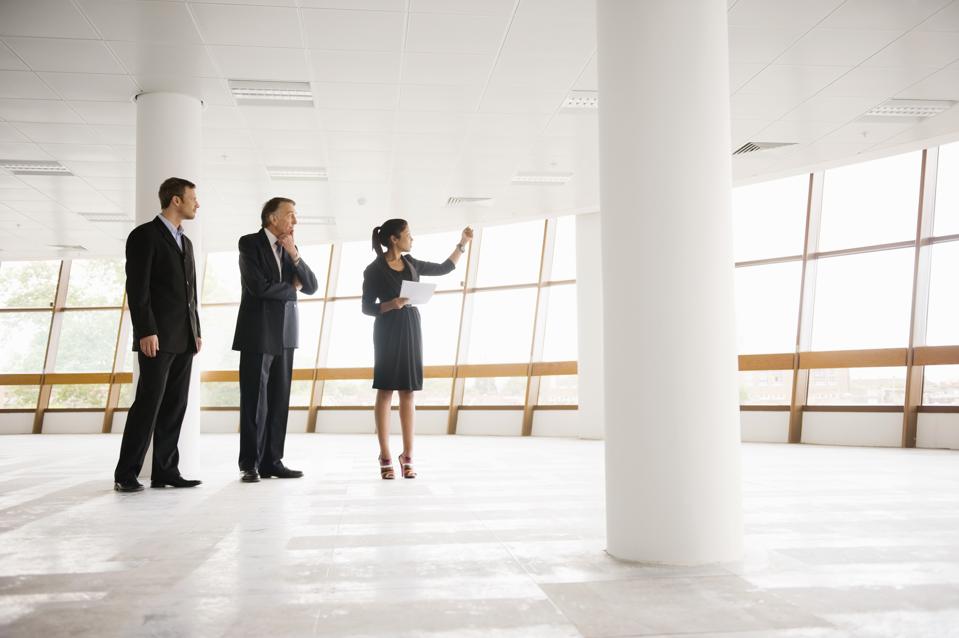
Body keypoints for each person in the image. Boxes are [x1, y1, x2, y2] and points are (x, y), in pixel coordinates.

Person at [361, 220, 473, 479]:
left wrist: (463, 243)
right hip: (387, 329)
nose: (412, 239)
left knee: (408, 390)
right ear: (393, 239)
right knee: (386, 389)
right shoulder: (374, 270)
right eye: (408, 235)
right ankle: (386, 454)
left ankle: (408, 455)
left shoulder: (411, 263)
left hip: (411, 326)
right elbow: (367, 307)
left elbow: (445, 268)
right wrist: (392, 304)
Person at [114, 177, 203, 492]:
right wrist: (146, 331)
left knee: (175, 405)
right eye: (193, 198)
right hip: (157, 337)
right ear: (176, 200)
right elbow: (137, 290)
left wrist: (196, 330)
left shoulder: (186, 242)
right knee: (148, 404)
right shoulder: (144, 236)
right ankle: (126, 473)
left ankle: (166, 470)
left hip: (184, 337)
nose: (197, 203)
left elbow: (190, 293)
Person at [233, 197, 319, 483]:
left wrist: (294, 255)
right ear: (272, 218)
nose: (295, 221)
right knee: (255, 401)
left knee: (279, 399)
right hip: (258, 332)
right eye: (290, 215)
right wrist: (290, 288)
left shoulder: (289, 249)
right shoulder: (249, 243)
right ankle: (250, 464)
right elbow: (258, 287)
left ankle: (273, 460)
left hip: (285, 334)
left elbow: (312, 286)